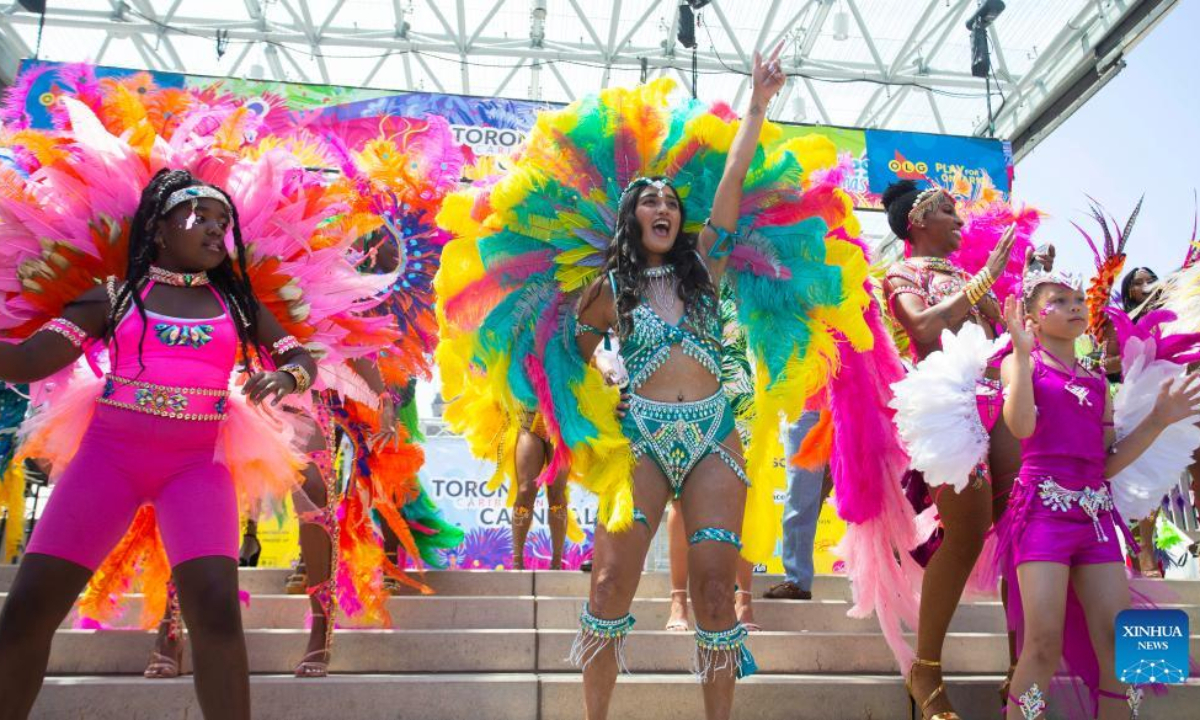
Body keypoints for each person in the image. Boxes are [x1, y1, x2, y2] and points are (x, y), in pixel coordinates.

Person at [0, 170, 316, 720]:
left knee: (217, 610)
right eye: (201, 219)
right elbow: (28, 362)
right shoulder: (114, 296)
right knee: (27, 610)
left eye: (224, 222)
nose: (218, 231)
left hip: (197, 468)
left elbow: (298, 357)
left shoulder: (238, 305)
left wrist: (288, 380)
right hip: (108, 462)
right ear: (160, 231)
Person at [571, 48, 787, 720]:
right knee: (609, 585)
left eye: (671, 201)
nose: (662, 207)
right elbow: (566, 364)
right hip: (639, 437)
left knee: (717, 597)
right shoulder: (607, 291)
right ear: (633, 219)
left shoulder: (706, 264)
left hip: (713, 435)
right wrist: (602, 376)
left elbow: (731, 180)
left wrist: (756, 107)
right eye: (650, 201)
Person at [998, 274, 1200, 719]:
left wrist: (1159, 421)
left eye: (1077, 300)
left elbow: (1105, 464)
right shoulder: (1020, 364)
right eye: (1059, 301)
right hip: (1042, 516)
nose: (1075, 306)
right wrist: (1019, 350)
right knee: (1042, 642)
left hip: (1094, 519)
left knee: (1119, 641)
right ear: (1032, 316)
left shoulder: (1094, 382)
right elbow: (1022, 428)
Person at [882, 179, 1031, 719]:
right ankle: (925, 672)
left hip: (1000, 401)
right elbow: (921, 330)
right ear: (917, 220)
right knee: (966, 534)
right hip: (947, 407)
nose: (960, 221)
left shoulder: (968, 276)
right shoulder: (901, 273)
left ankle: (1024, 670)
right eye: (948, 210)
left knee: (1021, 528)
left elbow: (1007, 338)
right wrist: (985, 281)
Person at [762, 408, 832, 601]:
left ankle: (870, 586)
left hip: (856, 404)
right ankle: (797, 581)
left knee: (862, 501)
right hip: (807, 403)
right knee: (800, 497)